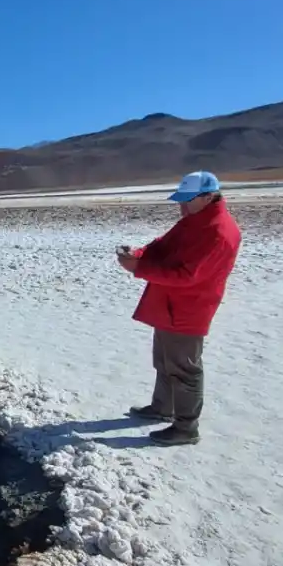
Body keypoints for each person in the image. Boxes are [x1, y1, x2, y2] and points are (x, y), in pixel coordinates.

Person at [116, 171, 241, 446]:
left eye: (187, 200)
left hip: (189, 310)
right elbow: (163, 245)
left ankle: (186, 428)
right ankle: (163, 407)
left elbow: (187, 275)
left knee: (184, 369)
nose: (182, 206)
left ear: (208, 197)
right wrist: (139, 254)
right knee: (164, 361)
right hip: (170, 305)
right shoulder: (194, 221)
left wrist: (139, 268)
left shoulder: (217, 232)